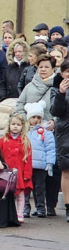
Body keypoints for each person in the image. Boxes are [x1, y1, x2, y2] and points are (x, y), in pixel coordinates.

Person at [0, 114, 32, 223]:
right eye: (13, 124)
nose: (15, 127)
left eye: (18, 124)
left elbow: (28, 159)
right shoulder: (3, 140)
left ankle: (20, 213)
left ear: (22, 126)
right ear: (9, 125)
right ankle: (5, 213)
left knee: (20, 194)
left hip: (19, 173)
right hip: (6, 172)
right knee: (6, 193)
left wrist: (27, 175)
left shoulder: (25, 141)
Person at [25, 103, 55, 217]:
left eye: (38, 117)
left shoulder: (45, 132)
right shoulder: (25, 132)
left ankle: (41, 208)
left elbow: (50, 148)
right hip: (27, 165)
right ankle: (25, 208)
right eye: (33, 117)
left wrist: (49, 163)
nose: (36, 120)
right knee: (27, 187)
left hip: (41, 165)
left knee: (40, 188)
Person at [49, 60, 69, 221]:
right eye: (66, 71)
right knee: (66, 171)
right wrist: (61, 94)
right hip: (65, 133)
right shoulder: (56, 89)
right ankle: (68, 208)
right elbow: (56, 111)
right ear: (61, 73)